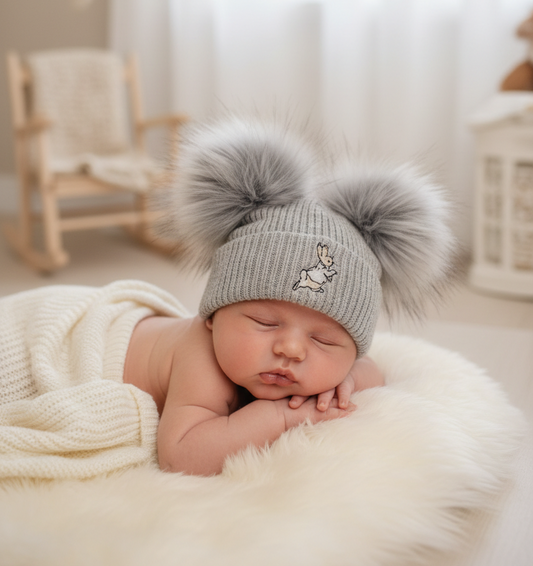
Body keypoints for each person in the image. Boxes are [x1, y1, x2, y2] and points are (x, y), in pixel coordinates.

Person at [0, 118, 455, 480]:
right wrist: (280, 417)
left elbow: (367, 368)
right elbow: (184, 455)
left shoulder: (303, 357)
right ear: (213, 316)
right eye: (264, 322)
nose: (291, 349)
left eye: (325, 341)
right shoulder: (202, 360)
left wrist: (349, 380)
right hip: (41, 334)